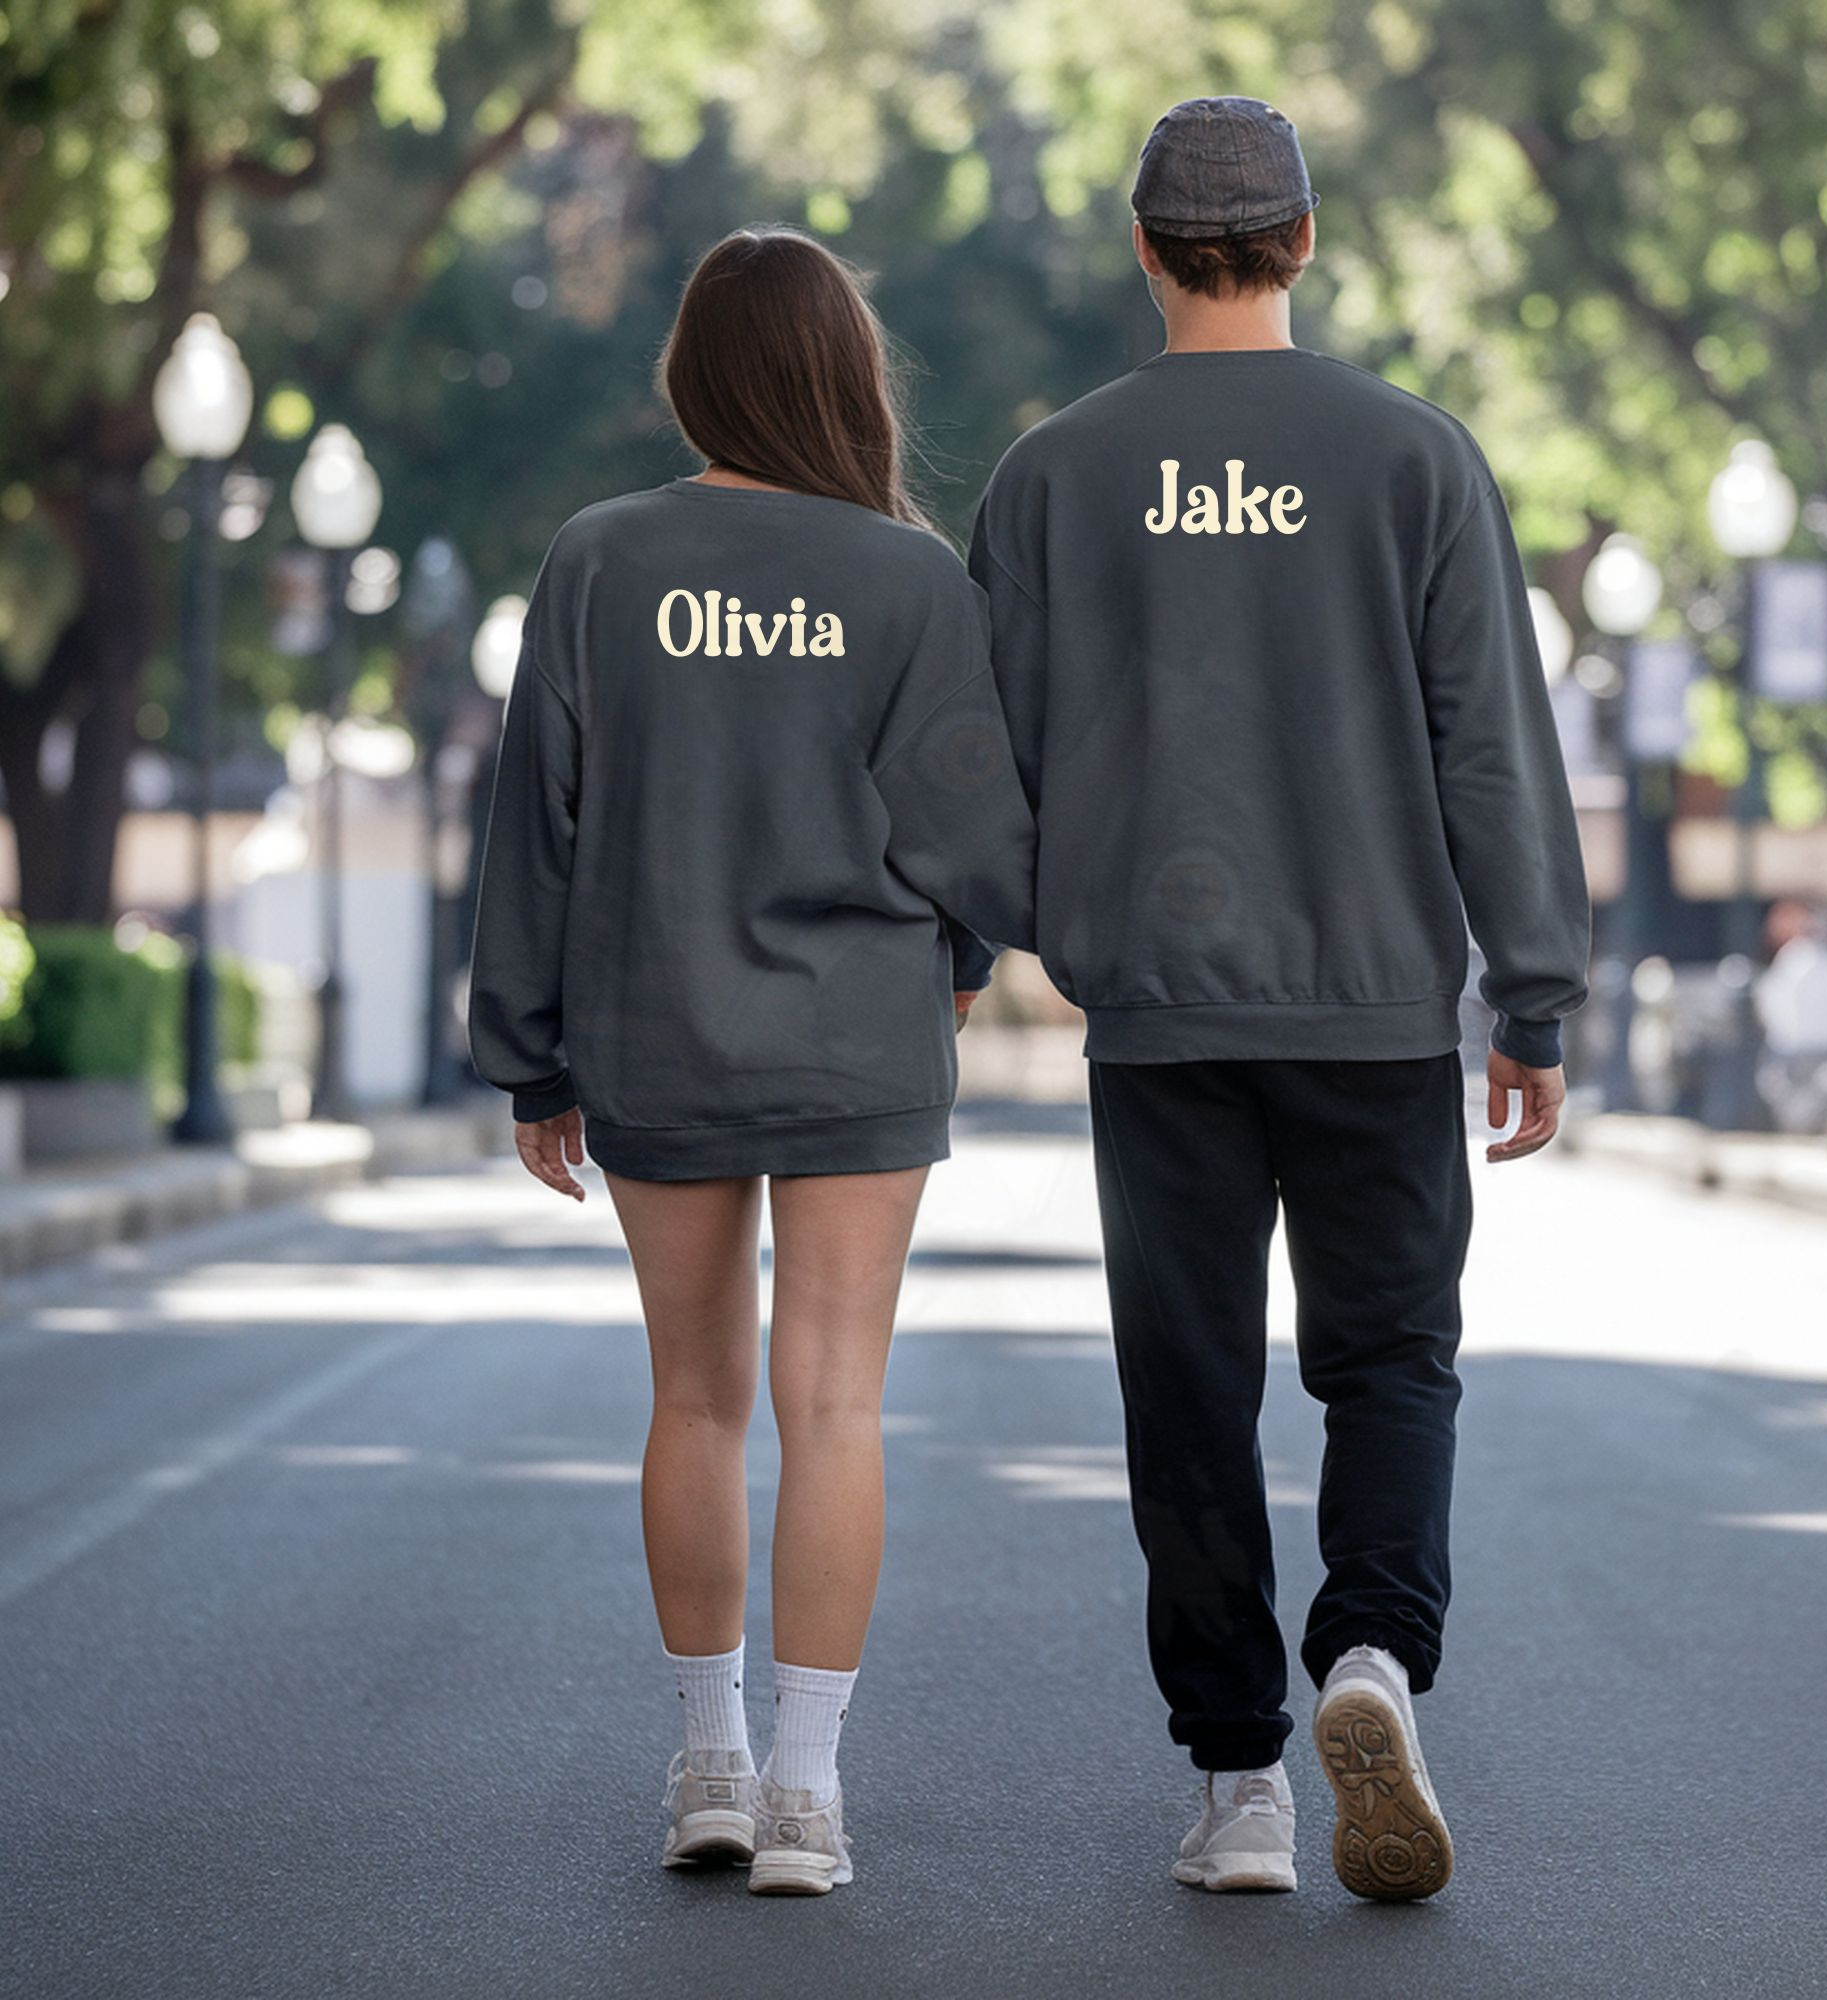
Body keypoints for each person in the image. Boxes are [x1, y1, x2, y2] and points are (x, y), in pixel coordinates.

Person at [969, 99, 1590, 1901]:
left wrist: (996, 938)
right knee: (1389, 1361)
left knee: (1189, 1389)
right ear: (1303, 244)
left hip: (1160, 1017)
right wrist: (1532, 1001)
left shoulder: (1056, 475)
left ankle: (1241, 1785)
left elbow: (979, 759)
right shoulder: (1415, 457)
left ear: (1149, 253)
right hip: (1380, 1006)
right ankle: (1374, 1654)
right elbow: (1494, 750)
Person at [466, 228, 1037, 1897]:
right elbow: (975, 843)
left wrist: (528, 1056)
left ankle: (705, 1762)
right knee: (835, 1402)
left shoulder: (597, 561)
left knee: (695, 1399)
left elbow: (539, 832)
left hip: (655, 1028)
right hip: (858, 1032)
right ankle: (808, 1792)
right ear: (848, 378)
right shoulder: (914, 579)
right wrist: (964, 961)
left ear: (690, 377)